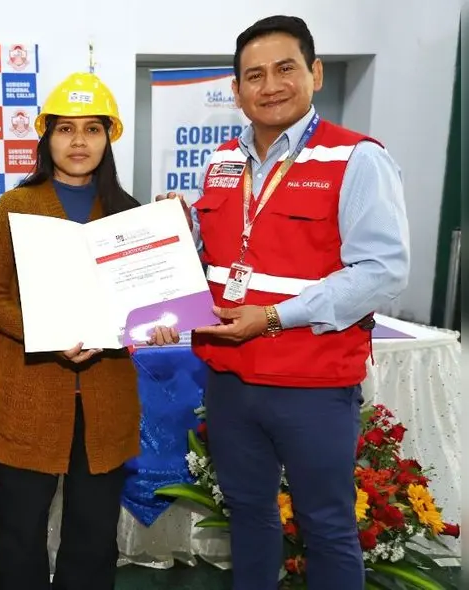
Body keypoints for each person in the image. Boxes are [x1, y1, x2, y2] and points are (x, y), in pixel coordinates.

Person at [149, 15, 410, 590]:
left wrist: (273, 317)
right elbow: (214, 262)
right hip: (229, 380)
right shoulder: (220, 162)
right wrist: (173, 251)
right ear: (237, 91)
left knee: (327, 526)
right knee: (247, 514)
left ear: (315, 73)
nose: (270, 85)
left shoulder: (356, 159)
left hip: (312, 383)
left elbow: (383, 271)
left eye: (285, 68)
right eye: (254, 75)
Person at [0, 71, 140, 590]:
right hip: (31, 396)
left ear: (108, 137)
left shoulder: (128, 213)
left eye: (92, 129)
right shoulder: (13, 208)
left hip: (105, 400)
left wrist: (156, 325)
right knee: (20, 536)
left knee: (92, 538)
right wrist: (45, 330)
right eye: (66, 129)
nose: (79, 142)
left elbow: (144, 304)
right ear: (47, 137)